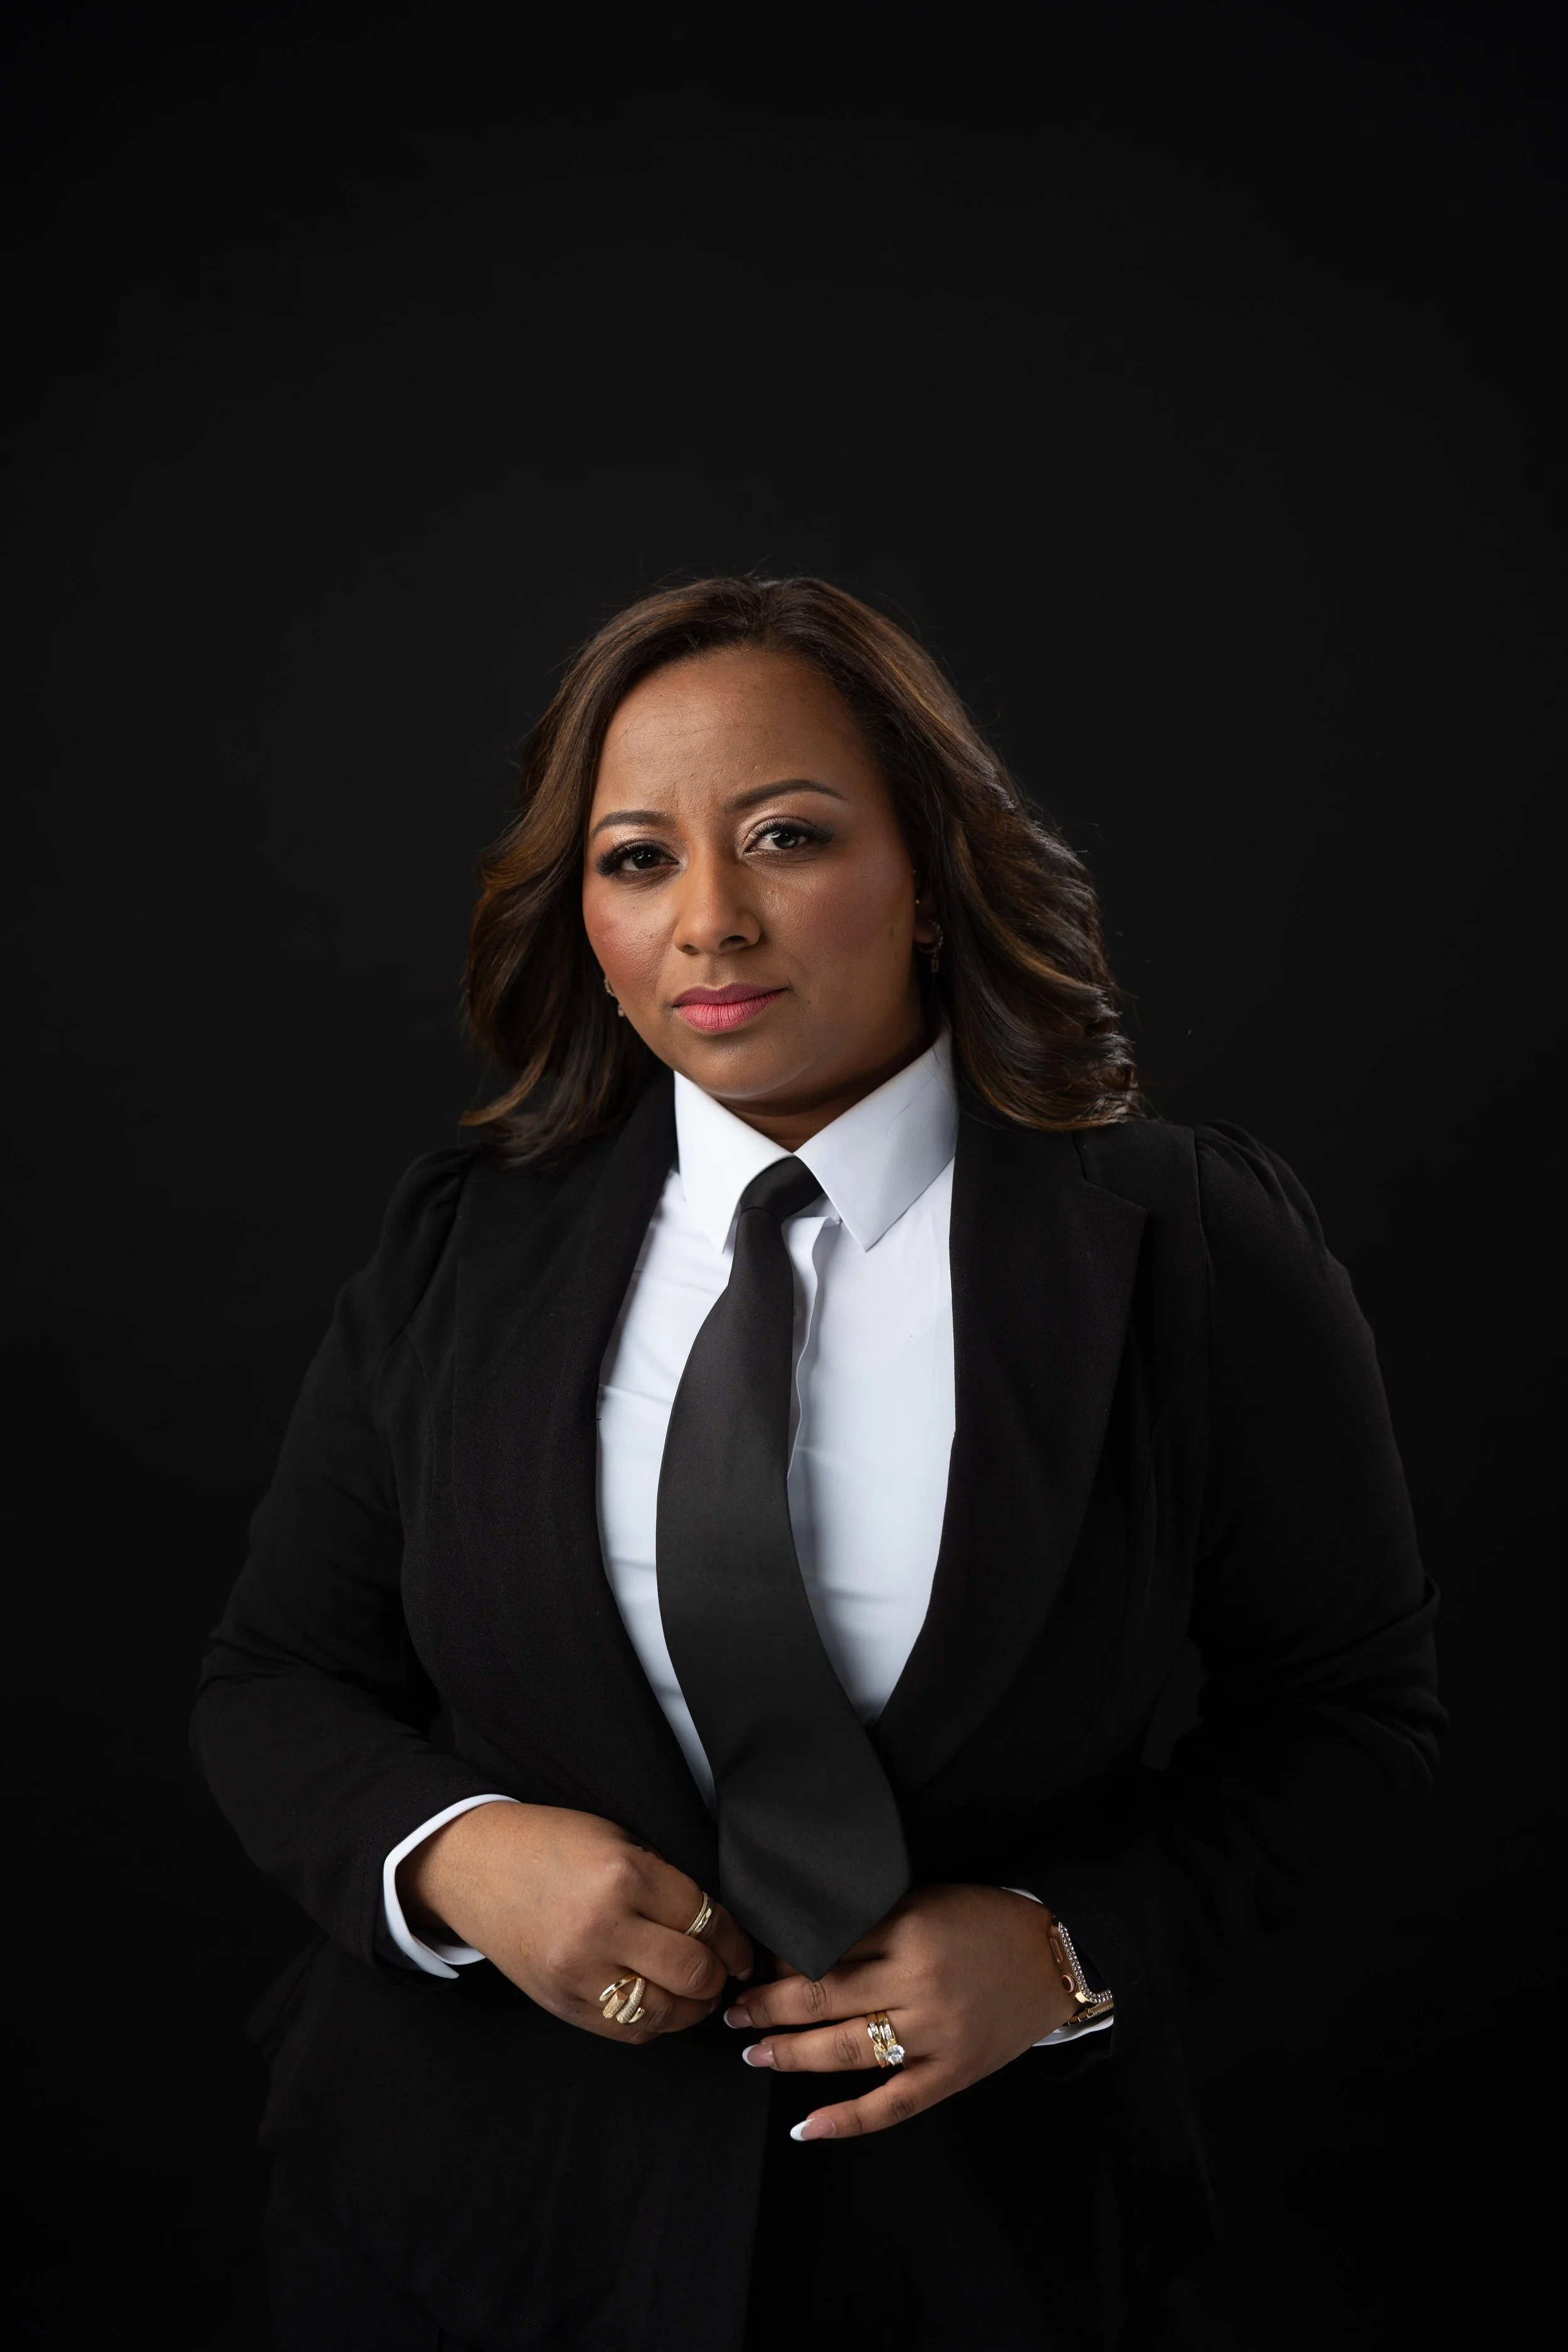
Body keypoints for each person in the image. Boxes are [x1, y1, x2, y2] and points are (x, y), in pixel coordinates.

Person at [193, 576, 1441, 2351]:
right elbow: (273, 1680)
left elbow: (1350, 1715)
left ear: (929, 871)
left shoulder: (1183, 1245)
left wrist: (1063, 1945)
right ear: (585, 918)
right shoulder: (466, 1243)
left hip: (977, 2244)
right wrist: (459, 1858)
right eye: (638, 860)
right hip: (457, 2229)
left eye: (786, 836)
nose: (710, 920)